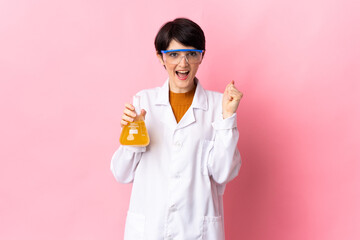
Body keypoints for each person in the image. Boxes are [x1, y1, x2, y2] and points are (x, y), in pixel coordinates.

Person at [111, 18, 243, 240]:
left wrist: (227, 119)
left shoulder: (218, 106)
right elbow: (121, 173)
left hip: (197, 230)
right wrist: (132, 137)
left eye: (192, 54)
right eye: (174, 55)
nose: (183, 64)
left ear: (201, 56)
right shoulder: (144, 102)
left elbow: (222, 173)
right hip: (150, 229)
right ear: (161, 57)